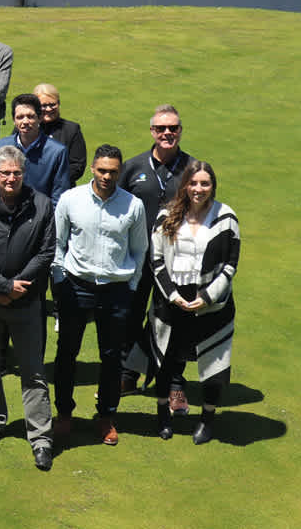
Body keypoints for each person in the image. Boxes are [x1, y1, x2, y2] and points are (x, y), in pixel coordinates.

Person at [0, 146, 57, 471]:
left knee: (33, 372)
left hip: (27, 303)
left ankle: (41, 439)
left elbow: (45, 254)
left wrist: (17, 288)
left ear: (23, 173)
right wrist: (2, 287)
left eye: (17, 172)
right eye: (5, 173)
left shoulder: (42, 205)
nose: (11, 178)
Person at [52, 144, 148, 446]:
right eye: (102, 170)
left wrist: (131, 287)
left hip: (116, 289)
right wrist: (59, 280)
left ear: (120, 172)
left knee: (111, 357)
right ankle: (64, 414)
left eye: (113, 172)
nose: (107, 176)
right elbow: (58, 243)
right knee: (67, 352)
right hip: (76, 285)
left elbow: (139, 250)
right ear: (93, 168)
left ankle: (106, 416)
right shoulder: (71, 199)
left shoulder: (133, 206)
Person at [142, 161, 238, 445]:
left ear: (213, 186)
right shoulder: (166, 215)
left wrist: (206, 297)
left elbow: (230, 265)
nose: (199, 189)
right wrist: (172, 295)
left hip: (212, 305)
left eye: (205, 183)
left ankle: (207, 419)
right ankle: (162, 415)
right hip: (170, 301)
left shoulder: (226, 217)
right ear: (185, 185)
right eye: (193, 183)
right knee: (166, 361)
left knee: (213, 366)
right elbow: (156, 260)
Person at [119, 103, 198, 403]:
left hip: (178, 262)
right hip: (139, 259)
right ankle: (128, 375)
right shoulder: (133, 168)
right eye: (161, 128)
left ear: (180, 130)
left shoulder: (193, 169)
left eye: (173, 128)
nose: (167, 133)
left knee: (176, 321)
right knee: (131, 316)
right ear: (152, 131)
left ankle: (175, 381)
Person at [0, 94, 70, 205]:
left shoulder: (57, 152)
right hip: (5, 215)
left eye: (30, 116)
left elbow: (59, 196)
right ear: (14, 120)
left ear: (40, 118)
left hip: (41, 217)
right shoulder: (1, 147)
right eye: (20, 117)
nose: (25, 121)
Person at [35, 83, 86, 188]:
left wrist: (52, 178)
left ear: (59, 103)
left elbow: (78, 166)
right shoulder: (26, 127)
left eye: (52, 104)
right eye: (44, 106)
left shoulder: (72, 129)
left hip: (62, 189)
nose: (49, 109)